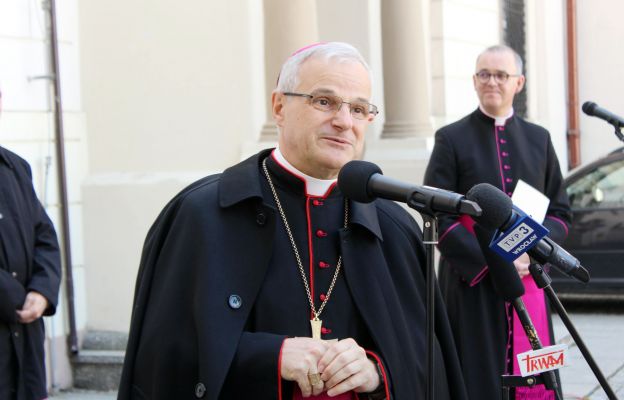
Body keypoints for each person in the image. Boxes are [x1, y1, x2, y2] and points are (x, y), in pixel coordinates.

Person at [119, 42, 468, 400]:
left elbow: (431, 366)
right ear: (279, 106)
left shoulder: (394, 228)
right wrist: (272, 356)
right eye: (324, 101)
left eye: (359, 109)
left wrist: (378, 372)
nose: (344, 121)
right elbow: (162, 358)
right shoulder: (201, 214)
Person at [424, 45, 571, 400]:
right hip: (473, 282)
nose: (492, 82)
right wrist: (493, 259)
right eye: (484, 74)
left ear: (518, 83)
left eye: (501, 75)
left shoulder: (539, 139)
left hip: (528, 279)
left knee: (535, 376)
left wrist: (531, 253)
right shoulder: (450, 138)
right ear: (475, 81)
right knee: (476, 373)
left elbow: (560, 212)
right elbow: (437, 212)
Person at [0, 88, 62, 400]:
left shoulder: (16, 168)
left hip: (24, 342)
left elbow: (44, 237)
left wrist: (41, 291)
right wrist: (14, 297)